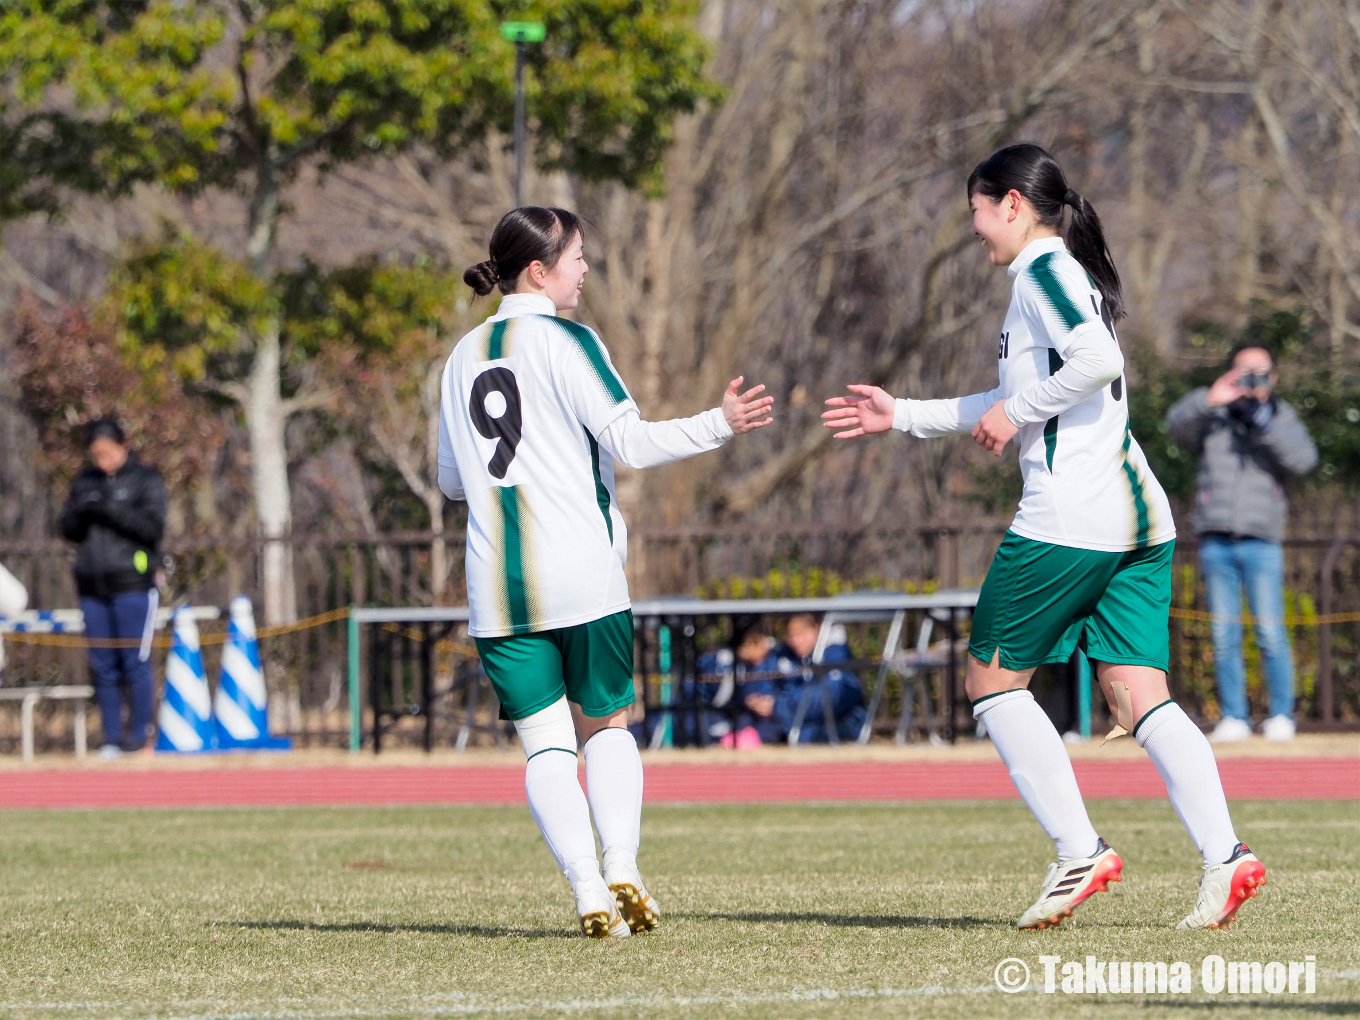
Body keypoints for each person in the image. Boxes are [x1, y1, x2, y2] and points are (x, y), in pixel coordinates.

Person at [822, 144, 1265, 931]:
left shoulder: (1044, 274)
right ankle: (1227, 859)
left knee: (990, 684)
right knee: (1140, 697)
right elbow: (1015, 393)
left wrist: (1017, 414)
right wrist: (907, 414)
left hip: (1072, 517)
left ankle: (1078, 852)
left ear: (1013, 206)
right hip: (1135, 515)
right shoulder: (1058, 278)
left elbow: (1095, 362)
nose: (975, 230)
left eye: (977, 212)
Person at [438, 207, 774, 938]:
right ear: (540, 269)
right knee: (607, 727)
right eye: (579, 257)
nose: (586, 270)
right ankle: (621, 860)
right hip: (582, 575)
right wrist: (720, 422)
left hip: (497, 587)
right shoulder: (569, 340)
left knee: (546, 746)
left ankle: (587, 886)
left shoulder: (462, 355)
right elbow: (632, 443)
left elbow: (453, 481)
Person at [1167, 346, 1317, 742]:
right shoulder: (1214, 416)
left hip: (1263, 540)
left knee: (1270, 631)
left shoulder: (1281, 417)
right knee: (1222, 634)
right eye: (1244, 372)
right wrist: (1210, 399)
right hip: (1215, 538)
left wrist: (1264, 424)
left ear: (1274, 378)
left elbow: (1303, 461)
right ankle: (1234, 715)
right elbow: (1176, 427)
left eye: (1259, 372)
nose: (1251, 380)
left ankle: (1281, 715)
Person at [58, 419, 166, 759]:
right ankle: (110, 738)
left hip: (131, 584)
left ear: (124, 445)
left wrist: (110, 509)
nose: (102, 461)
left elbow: (151, 528)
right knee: (102, 665)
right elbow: (67, 530)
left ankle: (138, 736)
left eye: (107, 453)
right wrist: (81, 509)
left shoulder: (145, 480)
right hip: (92, 585)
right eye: (96, 455)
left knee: (134, 662)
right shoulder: (84, 481)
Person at [692, 616, 785, 748]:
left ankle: (749, 738)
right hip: (744, 715)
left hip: (772, 717)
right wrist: (749, 701)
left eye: (749, 645)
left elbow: (785, 690)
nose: (743, 651)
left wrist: (773, 703)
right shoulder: (733, 663)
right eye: (742, 646)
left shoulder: (778, 658)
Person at [773, 613, 866, 743]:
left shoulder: (836, 652)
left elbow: (830, 697)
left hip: (842, 723)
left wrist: (778, 706)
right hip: (803, 726)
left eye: (801, 634)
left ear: (817, 629)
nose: (795, 641)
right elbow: (780, 690)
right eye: (790, 635)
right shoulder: (785, 655)